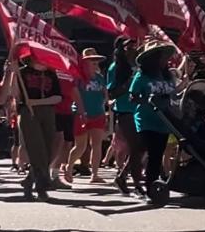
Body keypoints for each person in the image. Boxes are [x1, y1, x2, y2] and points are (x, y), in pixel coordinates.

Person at [129, 40, 177, 200]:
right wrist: (148, 99)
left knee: (157, 154)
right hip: (146, 119)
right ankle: (148, 186)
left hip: (164, 121)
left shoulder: (168, 76)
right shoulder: (142, 76)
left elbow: (173, 95)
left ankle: (153, 184)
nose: (165, 60)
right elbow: (132, 97)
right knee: (150, 152)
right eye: (162, 57)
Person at [12, 57, 62, 200]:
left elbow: (57, 97)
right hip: (28, 112)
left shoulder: (51, 74)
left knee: (48, 149)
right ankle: (42, 186)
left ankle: (29, 180)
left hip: (48, 111)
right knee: (36, 147)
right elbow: (16, 95)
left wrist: (37, 101)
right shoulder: (22, 72)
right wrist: (13, 75)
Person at [107, 36, 144, 196]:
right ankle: (137, 184)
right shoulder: (115, 68)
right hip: (125, 111)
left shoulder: (140, 66)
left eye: (134, 45)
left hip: (141, 110)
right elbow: (112, 92)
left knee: (142, 147)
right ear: (121, 50)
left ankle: (122, 177)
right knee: (136, 146)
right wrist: (128, 85)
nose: (133, 48)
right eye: (128, 46)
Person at [65, 48, 109, 184]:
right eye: (92, 62)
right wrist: (81, 110)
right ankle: (69, 167)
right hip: (81, 114)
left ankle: (95, 174)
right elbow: (74, 93)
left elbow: (105, 94)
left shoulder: (100, 78)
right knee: (80, 146)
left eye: (96, 63)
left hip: (98, 114)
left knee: (97, 144)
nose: (95, 65)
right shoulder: (78, 78)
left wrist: (106, 105)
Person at [50, 70, 83, 189]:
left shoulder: (70, 73)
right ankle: (45, 175)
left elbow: (74, 91)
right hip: (53, 111)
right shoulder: (51, 72)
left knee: (67, 143)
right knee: (56, 143)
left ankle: (55, 175)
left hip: (67, 111)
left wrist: (81, 109)